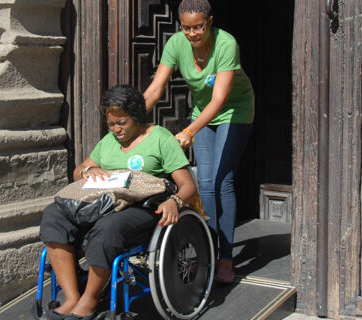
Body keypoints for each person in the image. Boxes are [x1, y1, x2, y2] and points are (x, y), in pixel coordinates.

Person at [39, 85, 197, 320]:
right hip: (103, 203)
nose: (116, 130)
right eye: (111, 124)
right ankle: (72, 297)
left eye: (122, 123)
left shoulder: (160, 138)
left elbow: (189, 186)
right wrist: (89, 170)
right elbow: (77, 172)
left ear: (136, 116)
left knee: (108, 229)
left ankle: (91, 298)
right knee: (53, 215)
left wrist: (175, 202)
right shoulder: (109, 141)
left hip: (141, 207)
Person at [142, 0, 253, 284]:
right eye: (186, 28)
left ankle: (225, 260)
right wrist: (130, 120)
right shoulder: (177, 43)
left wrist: (189, 132)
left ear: (210, 22)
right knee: (203, 183)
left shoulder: (226, 44)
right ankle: (207, 253)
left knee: (221, 180)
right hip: (202, 113)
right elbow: (155, 89)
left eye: (199, 27)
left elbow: (220, 99)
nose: (192, 33)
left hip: (234, 110)